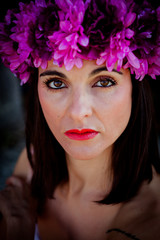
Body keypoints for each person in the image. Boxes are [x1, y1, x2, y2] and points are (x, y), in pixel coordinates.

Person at [0, 0, 160, 239]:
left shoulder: (148, 224)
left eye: (104, 81)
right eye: (56, 83)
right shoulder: (31, 164)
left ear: (135, 92)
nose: (78, 111)